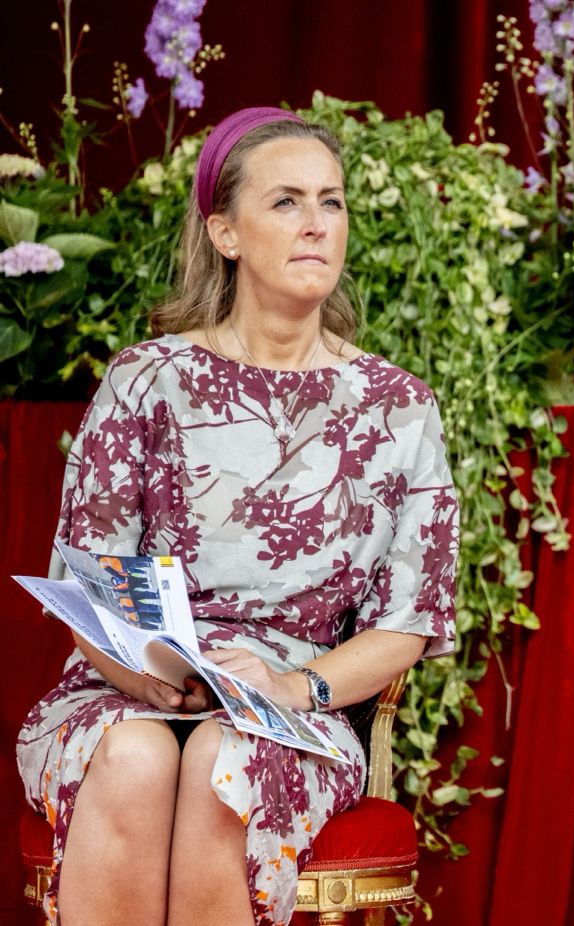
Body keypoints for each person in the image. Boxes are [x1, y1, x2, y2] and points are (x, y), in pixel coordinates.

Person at [15, 107, 459, 926]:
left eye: (332, 202)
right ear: (225, 232)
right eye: (286, 202)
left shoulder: (401, 409)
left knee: (226, 760)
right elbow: (88, 581)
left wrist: (293, 685)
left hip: (291, 714)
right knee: (136, 756)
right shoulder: (147, 381)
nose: (317, 226)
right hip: (129, 691)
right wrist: (146, 677)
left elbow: (411, 621)